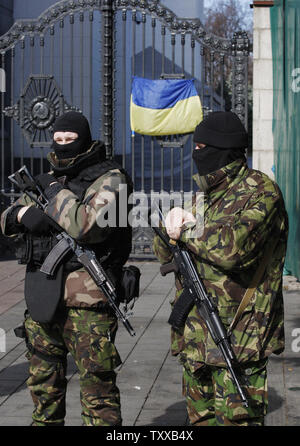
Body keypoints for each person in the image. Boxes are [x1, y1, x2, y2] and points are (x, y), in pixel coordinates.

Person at [153, 111, 288, 426]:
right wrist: (167, 224)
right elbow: (164, 254)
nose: (196, 154)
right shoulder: (204, 196)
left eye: (202, 147)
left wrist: (186, 230)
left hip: (239, 338)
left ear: (224, 149)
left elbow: (232, 249)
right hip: (198, 338)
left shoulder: (260, 191)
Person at [0, 111, 133, 426]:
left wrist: (50, 189)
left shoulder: (112, 179)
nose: (62, 148)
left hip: (89, 305)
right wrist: (20, 215)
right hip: (43, 299)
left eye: (69, 141)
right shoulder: (52, 178)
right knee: (43, 394)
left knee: (98, 398)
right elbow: (6, 219)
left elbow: (84, 225)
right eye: (57, 141)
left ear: (84, 141)